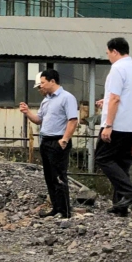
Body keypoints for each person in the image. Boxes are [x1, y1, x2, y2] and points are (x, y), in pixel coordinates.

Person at [95, 37, 132, 215]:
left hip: (117, 125)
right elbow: (128, 97)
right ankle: (120, 206)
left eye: (108, 53)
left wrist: (108, 125)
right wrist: (106, 102)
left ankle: (131, 193)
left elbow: (115, 98)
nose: (108, 56)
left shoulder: (117, 68)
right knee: (122, 164)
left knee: (102, 157)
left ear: (115, 51)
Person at [20, 69, 79, 219]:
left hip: (58, 140)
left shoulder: (67, 98)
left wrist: (65, 139)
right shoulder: (46, 100)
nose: (41, 86)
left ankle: (65, 210)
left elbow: (73, 120)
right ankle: (56, 207)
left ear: (52, 81)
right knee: (49, 177)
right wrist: (27, 112)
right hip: (45, 140)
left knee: (59, 176)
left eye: (43, 83)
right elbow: (39, 119)